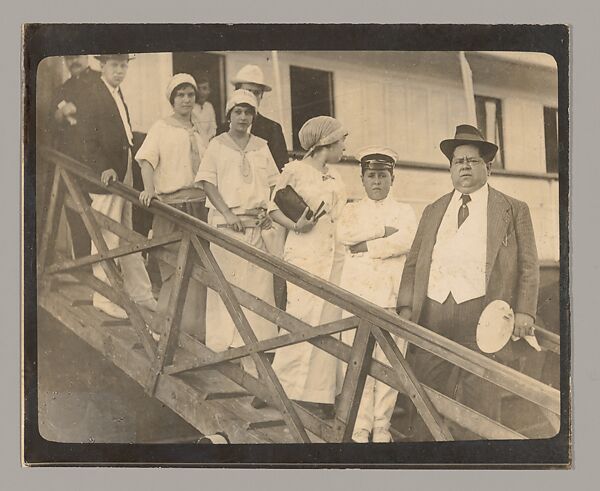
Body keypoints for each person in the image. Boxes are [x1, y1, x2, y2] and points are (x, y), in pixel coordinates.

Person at [396, 124, 540, 440]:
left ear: (488, 167)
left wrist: (525, 311)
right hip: (433, 318)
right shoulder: (433, 210)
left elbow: (529, 265)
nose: (464, 166)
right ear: (450, 168)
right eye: (458, 161)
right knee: (426, 400)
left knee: (481, 406)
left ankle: (481, 467)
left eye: (472, 160)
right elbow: (414, 263)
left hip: (484, 318)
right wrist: (406, 308)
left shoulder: (513, 209)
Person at [195, 89, 280, 377]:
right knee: (226, 286)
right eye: (238, 112)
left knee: (258, 288)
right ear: (228, 115)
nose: (243, 117)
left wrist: (266, 211)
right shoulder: (217, 145)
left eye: (248, 112)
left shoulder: (262, 146)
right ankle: (225, 351)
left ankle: (255, 352)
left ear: (254, 116)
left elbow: (273, 184)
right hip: (226, 226)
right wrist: (229, 214)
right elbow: (206, 182)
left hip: (255, 226)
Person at [268, 116, 348, 419]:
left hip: (334, 255)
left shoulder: (336, 178)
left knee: (329, 321)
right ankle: (285, 388)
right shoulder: (294, 170)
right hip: (304, 253)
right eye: (341, 141)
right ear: (325, 144)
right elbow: (272, 207)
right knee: (301, 318)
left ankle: (320, 394)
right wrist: (296, 225)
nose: (344, 147)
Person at [336, 147, 417, 443]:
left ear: (392, 178)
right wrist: (383, 230)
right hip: (358, 295)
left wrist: (368, 246)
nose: (377, 182)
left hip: (390, 295)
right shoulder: (351, 210)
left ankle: (381, 424)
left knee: (389, 360)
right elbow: (344, 236)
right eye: (371, 176)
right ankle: (360, 423)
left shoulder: (405, 211)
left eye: (383, 175)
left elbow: (408, 240)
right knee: (358, 358)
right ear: (362, 179)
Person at [77, 53, 157, 319]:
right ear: (103, 65)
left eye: (124, 66)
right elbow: (87, 138)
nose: (120, 70)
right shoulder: (93, 93)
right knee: (106, 236)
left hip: (124, 174)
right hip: (106, 179)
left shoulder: (116, 93)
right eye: (115, 65)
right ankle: (104, 297)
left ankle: (141, 294)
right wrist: (103, 168)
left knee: (126, 234)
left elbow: (125, 134)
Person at [136, 73, 208, 341]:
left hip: (199, 205)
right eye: (181, 95)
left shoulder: (201, 129)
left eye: (190, 95)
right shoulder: (161, 127)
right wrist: (149, 190)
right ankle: (163, 332)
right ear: (172, 99)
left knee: (199, 270)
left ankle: (193, 336)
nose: (186, 100)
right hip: (173, 206)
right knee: (172, 268)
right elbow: (146, 160)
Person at [47, 55, 100, 260]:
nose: (73, 61)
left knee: (105, 217)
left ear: (86, 56)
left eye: (77, 56)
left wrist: (80, 111)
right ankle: (84, 266)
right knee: (77, 214)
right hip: (73, 163)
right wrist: (59, 116)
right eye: (68, 58)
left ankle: (107, 270)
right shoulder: (62, 89)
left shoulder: (101, 80)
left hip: (98, 162)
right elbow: (51, 125)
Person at [217, 64, 289, 170]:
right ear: (237, 93)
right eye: (247, 91)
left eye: (256, 93)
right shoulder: (222, 130)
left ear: (262, 96)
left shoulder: (272, 129)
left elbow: (280, 168)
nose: (251, 97)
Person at [191, 74, 217, 142]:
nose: (201, 92)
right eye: (198, 89)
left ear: (209, 91)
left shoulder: (209, 106)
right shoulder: (190, 108)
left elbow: (213, 128)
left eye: (204, 88)